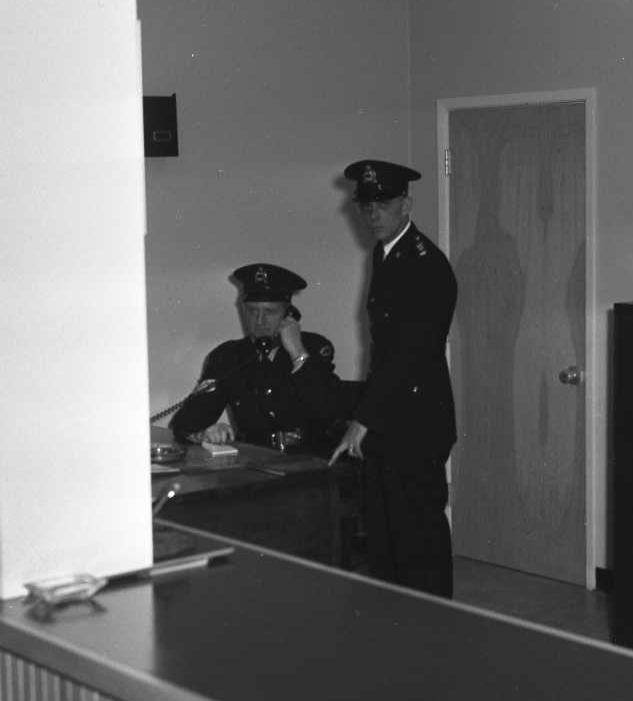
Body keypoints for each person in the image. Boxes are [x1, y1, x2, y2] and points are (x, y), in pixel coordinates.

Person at [330, 160, 457, 598]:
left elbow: (410, 354)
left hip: (416, 420)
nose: (372, 215)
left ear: (406, 203)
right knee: (386, 538)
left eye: (382, 205)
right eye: (365, 207)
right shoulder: (385, 254)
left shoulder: (425, 263)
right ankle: (394, 626)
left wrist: (363, 418)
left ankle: (434, 628)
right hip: (389, 417)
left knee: (418, 539)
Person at [169, 263, 348, 456]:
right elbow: (183, 424)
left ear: (288, 314)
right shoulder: (228, 356)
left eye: (270, 312)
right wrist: (204, 432)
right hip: (255, 459)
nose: (260, 321)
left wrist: (297, 352)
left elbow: (328, 409)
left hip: (313, 460)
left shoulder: (313, 347)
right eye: (252, 311)